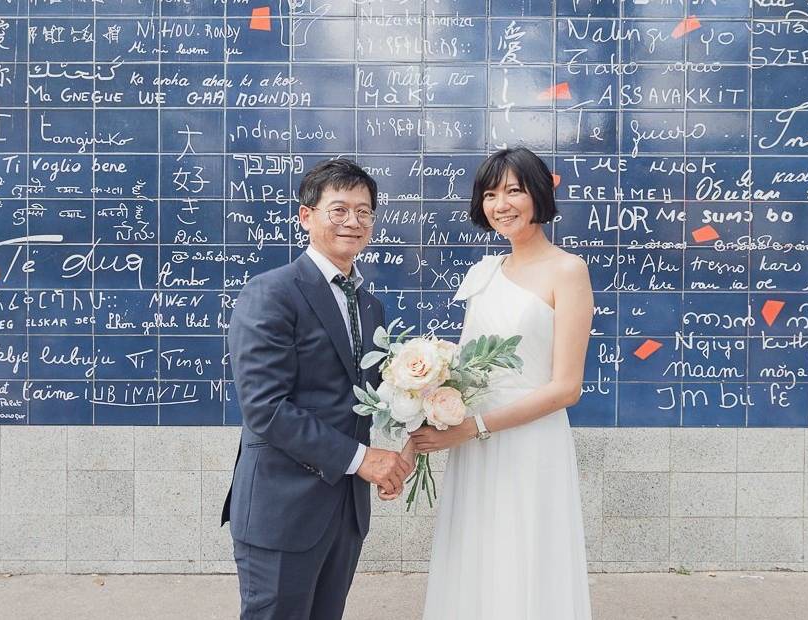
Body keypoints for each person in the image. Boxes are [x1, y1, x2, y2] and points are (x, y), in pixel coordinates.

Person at [221, 158, 414, 620]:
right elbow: (265, 408)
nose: (354, 222)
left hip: (345, 510)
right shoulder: (272, 292)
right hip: (282, 508)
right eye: (339, 209)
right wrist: (363, 459)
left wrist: (431, 407)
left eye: (364, 212)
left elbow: (367, 394)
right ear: (306, 216)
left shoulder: (370, 305)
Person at [409, 147, 595, 619]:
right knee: (477, 553)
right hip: (475, 441)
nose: (501, 204)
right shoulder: (483, 272)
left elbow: (566, 388)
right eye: (490, 194)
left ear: (537, 194)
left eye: (513, 190)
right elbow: (467, 365)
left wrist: (475, 427)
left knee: (525, 554)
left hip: (529, 441)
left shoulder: (568, 270)